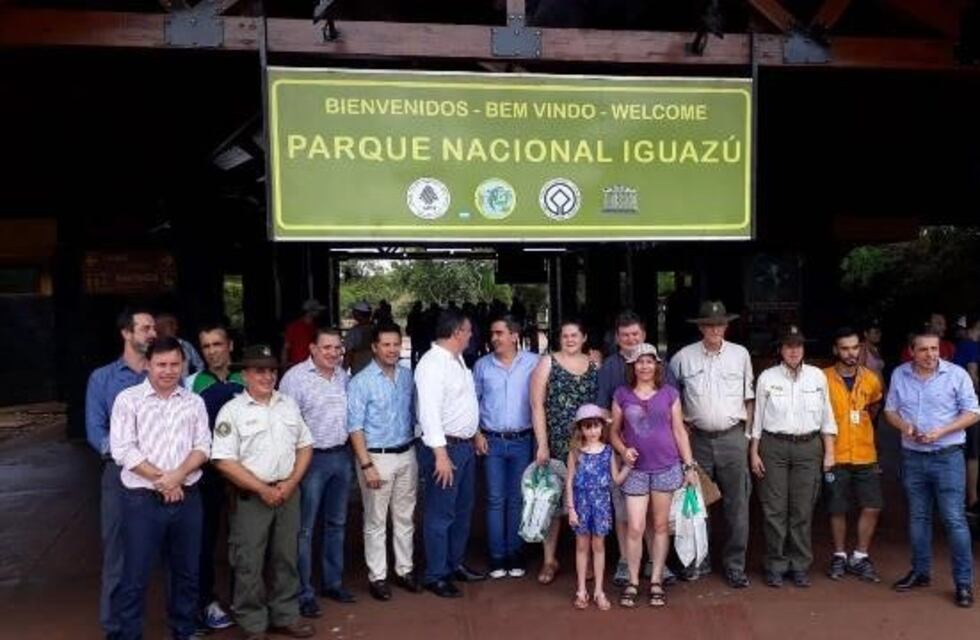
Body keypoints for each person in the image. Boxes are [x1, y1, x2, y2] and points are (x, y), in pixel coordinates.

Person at [109, 337, 212, 640]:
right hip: (142, 501)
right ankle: (130, 635)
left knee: (187, 574)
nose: (168, 371)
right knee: (135, 576)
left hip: (187, 498)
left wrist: (177, 476)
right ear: (147, 365)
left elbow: (203, 446)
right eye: (161, 364)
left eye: (174, 365)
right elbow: (123, 450)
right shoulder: (128, 400)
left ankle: (183, 631)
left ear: (183, 366)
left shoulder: (194, 401)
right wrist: (164, 480)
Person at [212, 345, 316, 639]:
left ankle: (285, 614)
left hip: (287, 493)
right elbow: (223, 460)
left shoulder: (288, 404)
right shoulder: (231, 411)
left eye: (271, 370)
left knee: (286, 558)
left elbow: (305, 446)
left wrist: (291, 483)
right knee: (249, 562)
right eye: (259, 370)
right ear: (244, 375)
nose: (267, 376)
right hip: (251, 499)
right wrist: (261, 488)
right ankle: (253, 623)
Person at [885, 329, 979, 608]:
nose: (930, 355)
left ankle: (963, 583)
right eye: (923, 349)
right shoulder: (900, 374)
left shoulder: (956, 374)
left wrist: (942, 431)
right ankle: (921, 572)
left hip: (947, 456)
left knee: (954, 519)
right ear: (911, 351)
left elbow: (973, 412)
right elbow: (890, 410)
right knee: (918, 518)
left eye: (934, 349)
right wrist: (906, 427)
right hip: (913, 456)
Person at [668, 300, 755, 588]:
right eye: (709, 325)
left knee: (737, 505)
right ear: (701, 327)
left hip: (733, 437)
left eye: (719, 324)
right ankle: (698, 561)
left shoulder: (740, 355)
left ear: (726, 326)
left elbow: (749, 399)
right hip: (698, 440)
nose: (714, 329)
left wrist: (747, 437)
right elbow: (672, 400)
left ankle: (734, 565)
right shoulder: (682, 358)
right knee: (695, 503)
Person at [85, 307, 156, 638]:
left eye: (153, 328)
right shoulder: (103, 378)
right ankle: (117, 628)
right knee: (118, 554)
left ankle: (185, 619)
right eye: (145, 328)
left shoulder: (163, 373)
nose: (152, 333)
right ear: (126, 333)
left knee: (174, 550)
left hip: (165, 474)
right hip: (120, 474)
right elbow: (95, 431)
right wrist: (132, 456)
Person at [610, 343, 698, 608]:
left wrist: (689, 466)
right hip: (635, 470)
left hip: (666, 466)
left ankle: (657, 579)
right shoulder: (622, 394)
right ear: (632, 366)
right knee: (635, 527)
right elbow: (614, 431)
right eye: (640, 362)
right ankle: (634, 580)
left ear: (657, 365)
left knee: (660, 526)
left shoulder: (669, 393)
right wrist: (624, 451)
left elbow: (680, 431)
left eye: (650, 361)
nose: (645, 366)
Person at [750, 326, 836, 588]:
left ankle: (799, 564)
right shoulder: (767, 377)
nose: (794, 351)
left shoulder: (817, 377)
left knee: (802, 508)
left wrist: (829, 451)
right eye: (788, 346)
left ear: (804, 348)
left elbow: (826, 416)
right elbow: (757, 419)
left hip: (808, 446)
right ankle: (775, 563)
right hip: (773, 445)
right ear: (781, 349)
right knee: (774, 509)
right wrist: (753, 451)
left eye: (798, 346)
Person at [278, 327, 354, 618]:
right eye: (327, 348)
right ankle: (303, 591)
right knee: (304, 529)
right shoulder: (295, 379)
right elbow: (285, 424)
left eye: (338, 348)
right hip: (310, 461)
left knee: (336, 523)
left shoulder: (343, 377)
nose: (333, 353)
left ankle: (333, 583)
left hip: (340, 456)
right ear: (312, 348)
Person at [414, 309, 486, 598]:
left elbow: (463, 403)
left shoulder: (457, 361)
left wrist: (476, 432)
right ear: (457, 332)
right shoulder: (432, 364)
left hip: (465, 444)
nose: (471, 336)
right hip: (445, 449)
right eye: (468, 331)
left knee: (462, 509)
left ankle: (454, 562)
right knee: (440, 513)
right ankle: (436, 574)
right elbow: (429, 412)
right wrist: (440, 455)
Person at [347, 322, 420, 601]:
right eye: (385, 345)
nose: (391, 350)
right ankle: (377, 576)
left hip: (406, 453)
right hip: (376, 457)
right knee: (376, 520)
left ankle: (405, 570)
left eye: (395, 344)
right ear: (375, 347)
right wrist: (366, 464)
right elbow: (355, 427)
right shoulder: (360, 382)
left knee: (405, 517)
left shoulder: (407, 376)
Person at [595, 311, 664, 587]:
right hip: (620, 447)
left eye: (635, 334)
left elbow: (672, 405)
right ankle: (625, 561)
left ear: (644, 335)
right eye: (625, 335)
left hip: (657, 451)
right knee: (625, 511)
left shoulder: (661, 365)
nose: (630, 339)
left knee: (654, 513)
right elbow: (602, 406)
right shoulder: (609, 367)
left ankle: (653, 561)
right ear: (617, 338)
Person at [529, 318, 598, 585]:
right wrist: (542, 443)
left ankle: (590, 556)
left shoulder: (594, 363)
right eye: (565, 335)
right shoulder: (547, 362)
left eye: (574, 335)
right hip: (557, 441)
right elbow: (537, 406)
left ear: (583, 337)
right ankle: (549, 559)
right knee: (554, 501)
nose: (569, 339)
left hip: (588, 442)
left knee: (588, 498)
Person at [472, 315, 540, 579]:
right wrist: (476, 434)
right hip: (492, 440)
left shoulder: (534, 363)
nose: (494, 338)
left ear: (514, 336)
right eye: (492, 333)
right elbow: (473, 403)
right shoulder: (482, 366)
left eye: (499, 333)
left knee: (518, 500)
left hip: (523, 440)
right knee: (495, 499)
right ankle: (497, 556)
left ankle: (515, 552)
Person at [187, 322, 243, 631]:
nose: (212, 351)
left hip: (241, 475)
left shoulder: (245, 379)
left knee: (243, 540)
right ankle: (206, 602)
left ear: (229, 345)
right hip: (206, 476)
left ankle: (242, 598)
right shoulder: (192, 383)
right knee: (203, 542)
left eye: (217, 344)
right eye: (206, 346)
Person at [823, 327, 884, 582]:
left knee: (872, 505)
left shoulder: (871, 379)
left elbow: (874, 406)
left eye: (854, 347)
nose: (850, 353)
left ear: (860, 348)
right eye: (845, 348)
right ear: (836, 350)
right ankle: (839, 555)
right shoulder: (822, 378)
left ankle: (860, 555)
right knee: (838, 508)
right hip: (836, 454)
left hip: (865, 453)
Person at [566, 404, 631, 611]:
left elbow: (616, 480)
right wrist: (571, 509)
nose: (592, 431)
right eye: (587, 427)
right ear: (581, 429)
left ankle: (599, 590)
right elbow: (569, 482)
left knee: (599, 546)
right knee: (582, 546)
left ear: (602, 427)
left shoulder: (608, 452)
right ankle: (581, 589)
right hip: (581, 503)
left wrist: (629, 466)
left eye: (596, 426)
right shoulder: (576, 453)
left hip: (601, 503)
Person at [952, 316, 980, 513]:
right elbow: (972, 374)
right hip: (971, 405)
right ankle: (972, 498)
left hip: (964, 405)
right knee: (973, 453)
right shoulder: (970, 345)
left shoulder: (965, 345)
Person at [155, 312, 205, 378]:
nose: (176, 328)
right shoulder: (152, 347)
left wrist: (194, 382)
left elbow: (200, 366)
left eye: (175, 325)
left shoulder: (185, 345)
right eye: (171, 324)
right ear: (160, 327)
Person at [282, 299, 325, 368]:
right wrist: (284, 366)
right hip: (297, 364)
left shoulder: (315, 328)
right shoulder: (293, 327)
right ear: (310, 311)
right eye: (317, 310)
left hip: (312, 364)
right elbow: (286, 347)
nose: (319, 313)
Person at [344, 300, 375, 376]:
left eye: (354, 312)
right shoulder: (377, 329)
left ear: (357, 314)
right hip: (376, 370)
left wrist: (343, 371)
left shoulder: (353, 332)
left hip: (359, 370)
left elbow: (349, 354)